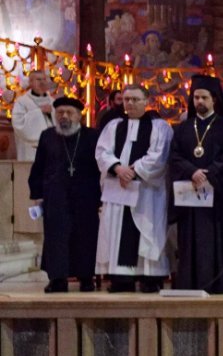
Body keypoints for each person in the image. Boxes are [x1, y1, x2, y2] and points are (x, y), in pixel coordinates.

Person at [94, 85, 173, 293]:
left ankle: (150, 278)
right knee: (118, 231)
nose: (130, 103)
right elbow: (102, 151)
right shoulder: (113, 126)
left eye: (135, 99)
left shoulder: (160, 127)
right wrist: (118, 168)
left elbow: (160, 156)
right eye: (127, 99)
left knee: (147, 230)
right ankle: (121, 278)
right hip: (118, 190)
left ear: (146, 101)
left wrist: (134, 170)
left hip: (147, 191)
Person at [169, 75, 223, 293]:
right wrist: (193, 172)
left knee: (216, 240)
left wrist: (208, 174)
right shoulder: (182, 128)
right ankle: (190, 283)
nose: (199, 102)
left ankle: (218, 285)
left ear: (214, 100)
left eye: (204, 97)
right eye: (196, 98)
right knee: (190, 241)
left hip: (217, 197)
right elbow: (174, 155)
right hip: (190, 197)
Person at [28, 97, 102, 293]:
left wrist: (101, 197)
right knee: (56, 238)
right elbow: (39, 168)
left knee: (85, 236)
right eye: (60, 113)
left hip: (85, 196)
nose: (64, 117)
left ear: (79, 115)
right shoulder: (48, 136)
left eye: (69, 113)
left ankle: (86, 278)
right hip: (55, 196)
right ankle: (57, 279)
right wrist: (37, 194)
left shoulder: (92, 136)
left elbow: (99, 169)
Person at [13, 70, 55, 161]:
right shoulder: (22, 102)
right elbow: (18, 123)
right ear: (30, 82)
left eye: (44, 79)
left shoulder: (53, 102)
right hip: (30, 152)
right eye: (38, 79)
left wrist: (51, 114)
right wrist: (40, 113)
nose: (42, 82)